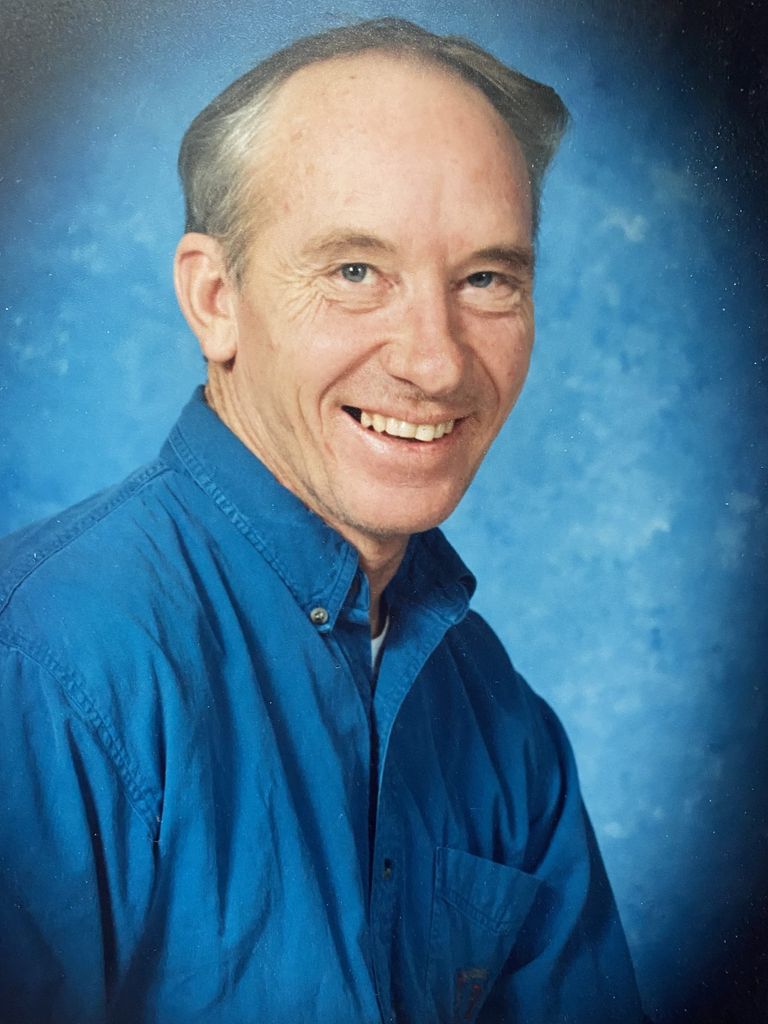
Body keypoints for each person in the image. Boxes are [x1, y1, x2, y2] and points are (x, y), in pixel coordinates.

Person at [0, 17, 647, 1024]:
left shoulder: (506, 728)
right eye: (355, 271)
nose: (435, 362)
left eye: (486, 279)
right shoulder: (47, 668)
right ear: (215, 298)